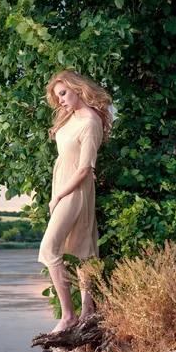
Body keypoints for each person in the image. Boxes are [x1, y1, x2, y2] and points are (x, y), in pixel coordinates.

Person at [38, 71, 113, 333]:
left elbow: (84, 169)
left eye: (63, 93)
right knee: (79, 248)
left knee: (49, 249)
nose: (59, 100)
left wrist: (58, 196)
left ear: (78, 89)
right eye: (57, 96)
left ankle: (69, 316)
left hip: (75, 189)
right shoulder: (70, 117)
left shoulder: (90, 122)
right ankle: (88, 309)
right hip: (62, 186)